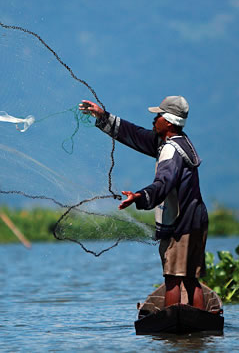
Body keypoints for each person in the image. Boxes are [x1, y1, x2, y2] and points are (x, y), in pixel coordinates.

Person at [79, 96, 209, 309]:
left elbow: (163, 183)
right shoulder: (179, 141)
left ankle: (172, 326)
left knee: (173, 278)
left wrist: (139, 196)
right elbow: (136, 135)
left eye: (158, 116)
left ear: (168, 121)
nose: (154, 119)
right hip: (197, 218)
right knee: (191, 278)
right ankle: (200, 328)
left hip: (181, 222)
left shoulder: (170, 151)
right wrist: (103, 117)